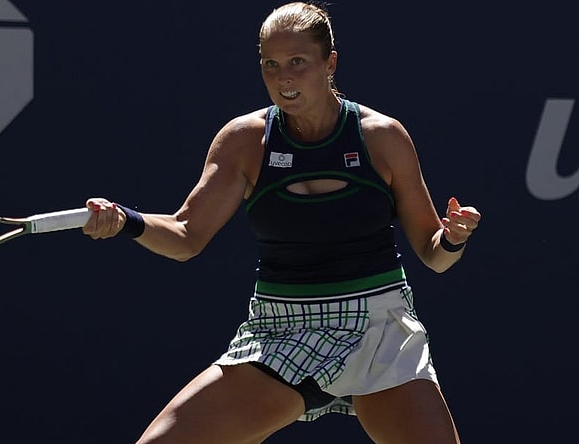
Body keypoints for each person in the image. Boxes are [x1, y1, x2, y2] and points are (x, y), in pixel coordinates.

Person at [82, 2, 481, 443]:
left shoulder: (382, 136)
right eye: (270, 65)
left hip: (379, 332)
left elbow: (434, 253)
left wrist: (452, 239)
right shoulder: (244, 141)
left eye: (297, 63)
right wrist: (127, 221)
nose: (283, 78)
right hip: (280, 332)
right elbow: (185, 236)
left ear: (330, 62)